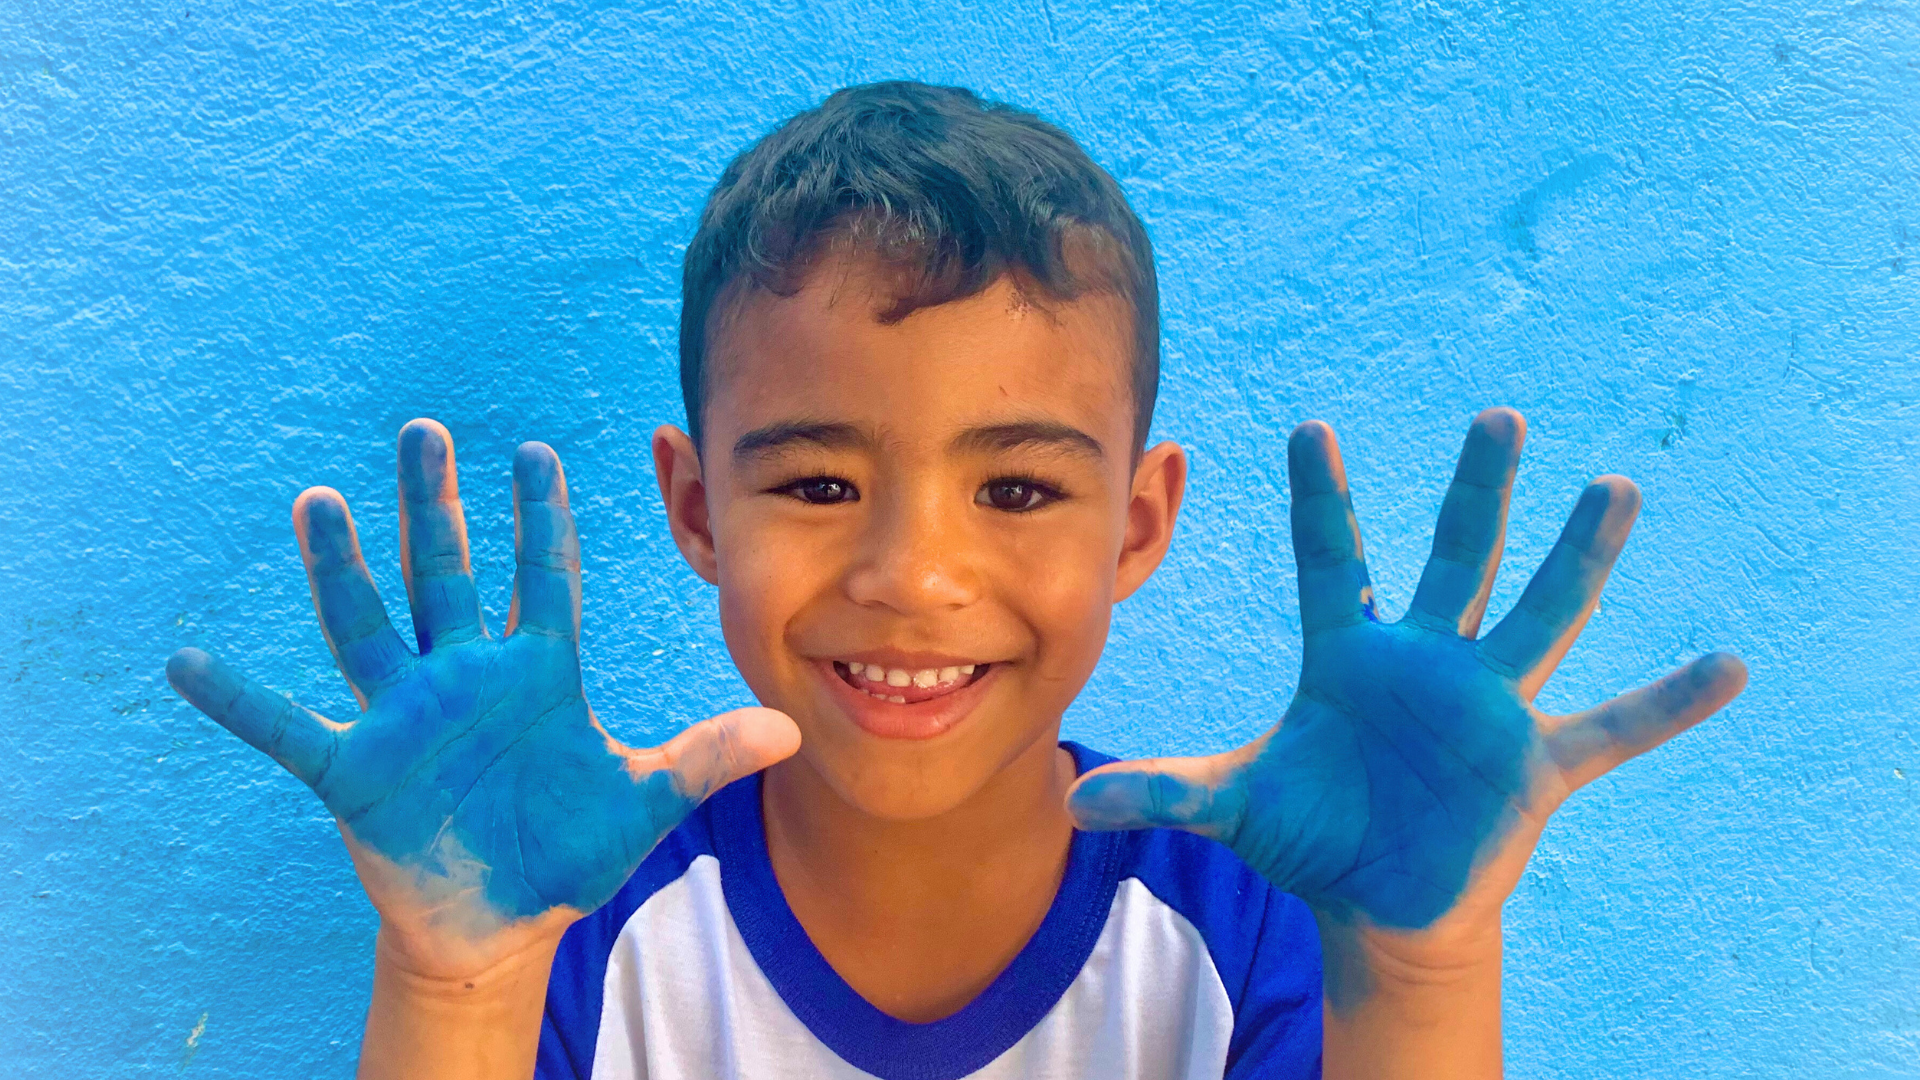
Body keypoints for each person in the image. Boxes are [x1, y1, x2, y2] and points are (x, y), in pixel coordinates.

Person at [163, 81, 1749, 1080]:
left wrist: (1418, 966)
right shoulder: (578, 915)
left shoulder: (1246, 929)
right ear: (697, 509)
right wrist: (455, 985)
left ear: (1137, 526)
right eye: (818, 483)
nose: (912, 575)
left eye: (1016, 489)